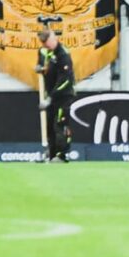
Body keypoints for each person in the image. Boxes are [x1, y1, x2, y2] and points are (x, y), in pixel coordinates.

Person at [35, 28, 75, 162]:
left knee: (60, 124)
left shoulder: (63, 54)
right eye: (44, 44)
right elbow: (41, 64)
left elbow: (66, 80)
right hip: (49, 95)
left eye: (47, 42)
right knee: (49, 126)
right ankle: (51, 154)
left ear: (53, 38)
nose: (46, 46)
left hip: (63, 96)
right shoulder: (43, 51)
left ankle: (62, 155)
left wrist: (51, 97)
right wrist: (39, 67)